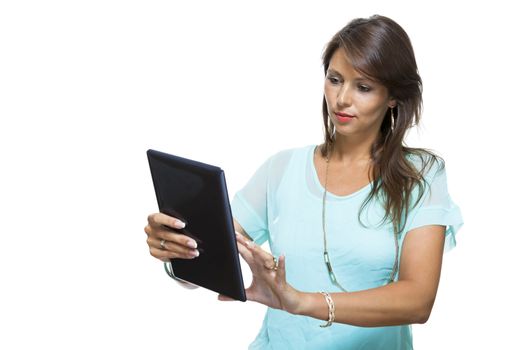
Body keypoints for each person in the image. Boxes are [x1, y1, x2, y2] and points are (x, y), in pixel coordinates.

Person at [144, 15, 463, 349]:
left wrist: (300, 301)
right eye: (335, 79)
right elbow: (211, 257)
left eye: (364, 87)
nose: (342, 99)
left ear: (393, 96)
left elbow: (418, 300)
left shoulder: (420, 174)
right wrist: (175, 250)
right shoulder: (281, 169)